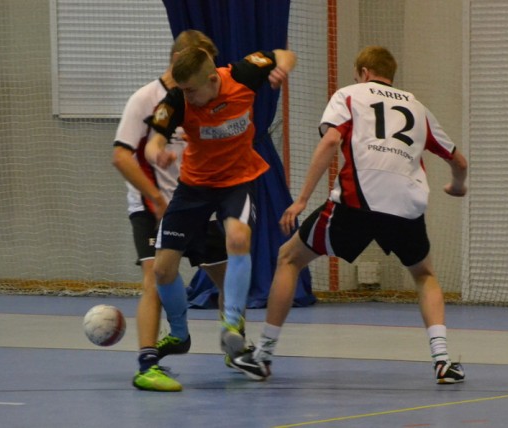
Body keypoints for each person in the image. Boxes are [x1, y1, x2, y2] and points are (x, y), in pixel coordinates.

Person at [233, 46, 468, 385]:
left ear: (363, 71)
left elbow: (330, 141)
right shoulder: (418, 108)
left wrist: (300, 200)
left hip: (358, 201)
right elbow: (459, 162)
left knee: (288, 258)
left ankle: (263, 355)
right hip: (406, 205)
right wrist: (457, 187)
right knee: (424, 274)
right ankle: (443, 361)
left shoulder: (349, 95)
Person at [145, 41, 297, 368]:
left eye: (191, 90)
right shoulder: (176, 101)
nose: (187, 97)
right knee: (162, 268)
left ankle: (232, 326)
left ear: (213, 80)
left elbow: (282, 54)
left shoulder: (243, 73)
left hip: (238, 180)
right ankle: (180, 334)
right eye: (182, 90)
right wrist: (156, 153)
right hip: (194, 187)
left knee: (238, 238)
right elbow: (154, 138)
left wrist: (282, 67)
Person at [112, 30, 228, 392]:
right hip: (152, 205)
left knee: (229, 277)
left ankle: (235, 343)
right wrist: (157, 199)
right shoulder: (145, 99)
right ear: (179, 59)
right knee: (155, 278)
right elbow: (121, 156)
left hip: (196, 202)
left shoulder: (202, 98)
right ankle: (148, 362)